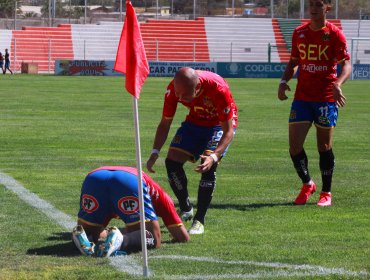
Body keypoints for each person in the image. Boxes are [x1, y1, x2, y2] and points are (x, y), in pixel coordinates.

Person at [146, 67, 238, 234]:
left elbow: (228, 131)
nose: (180, 98)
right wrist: (154, 152)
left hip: (219, 124)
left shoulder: (218, 89)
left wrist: (215, 157)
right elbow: (165, 123)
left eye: (185, 95)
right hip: (195, 121)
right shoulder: (173, 90)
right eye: (178, 94)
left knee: (207, 163)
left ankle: (199, 221)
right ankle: (186, 208)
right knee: (172, 161)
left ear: (197, 88)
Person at [277, 0, 351, 207]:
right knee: (294, 147)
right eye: (311, 4)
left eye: (318, 4)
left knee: (324, 146)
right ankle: (307, 183)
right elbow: (293, 62)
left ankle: (326, 192)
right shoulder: (299, 32)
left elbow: (346, 64)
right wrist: (283, 82)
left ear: (327, 7)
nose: (313, 8)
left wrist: (338, 83)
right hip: (302, 98)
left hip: (326, 98)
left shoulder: (335, 34)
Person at [72, 166, 190, 257]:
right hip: (129, 181)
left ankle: (85, 239)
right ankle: (121, 241)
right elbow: (183, 237)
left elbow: (101, 231)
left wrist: (116, 231)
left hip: (94, 177)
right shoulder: (165, 199)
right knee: (154, 238)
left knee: (91, 233)